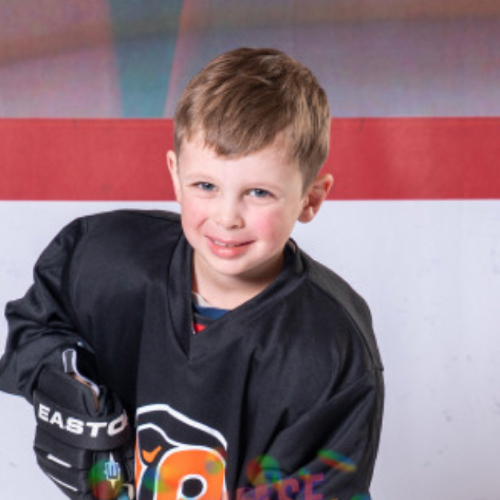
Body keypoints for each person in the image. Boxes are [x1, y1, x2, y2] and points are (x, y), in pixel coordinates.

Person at [0, 47, 384, 500]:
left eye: (259, 193)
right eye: (206, 185)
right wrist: (65, 382)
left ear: (311, 199)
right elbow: (35, 326)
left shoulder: (329, 349)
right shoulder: (105, 259)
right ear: (175, 174)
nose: (227, 217)